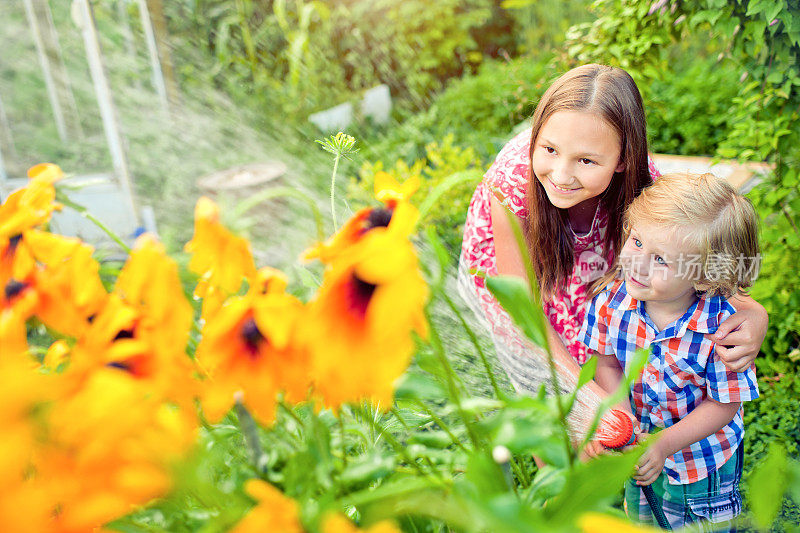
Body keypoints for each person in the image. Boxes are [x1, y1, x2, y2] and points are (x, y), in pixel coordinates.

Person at [457, 64, 767, 411]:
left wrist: (752, 310)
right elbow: (523, 306)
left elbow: (692, 255)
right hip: (519, 269)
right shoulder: (513, 182)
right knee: (542, 381)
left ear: (623, 160)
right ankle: (551, 461)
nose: (561, 175)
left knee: (588, 349)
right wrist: (587, 399)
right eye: (549, 149)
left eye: (586, 160)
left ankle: (599, 446)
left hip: (590, 261)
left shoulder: (643, 180)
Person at [580, 172, 760, 528]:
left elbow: (723, 404)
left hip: (701, 461)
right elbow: (608, 365)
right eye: (636, 241)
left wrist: (663, 445)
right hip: (640, 450)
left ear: (705, 276)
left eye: (661, 260)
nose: (638, 263)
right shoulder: (610, 303)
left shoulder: (722, 328)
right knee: (644, 517)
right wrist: (621, 420)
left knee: (700, 524)